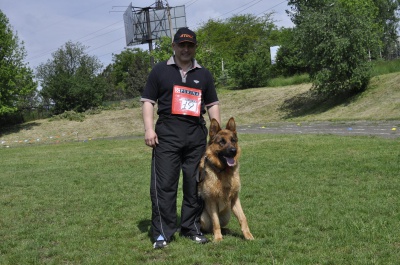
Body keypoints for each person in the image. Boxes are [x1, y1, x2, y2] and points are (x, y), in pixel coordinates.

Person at [141, 27, 221, 249]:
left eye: (190, 45)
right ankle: (162, 233)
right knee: (164, 186)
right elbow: (148, 101)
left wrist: (216, 135)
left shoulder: (203, 74)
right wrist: (149, 129)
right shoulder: (159, 71)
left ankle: (191, 228)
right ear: (174, 46)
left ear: (195, 47)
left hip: (196, 134)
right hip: (167, 134)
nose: (186, 49)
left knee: (194, 184)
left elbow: (212, 105)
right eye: (181, 45)